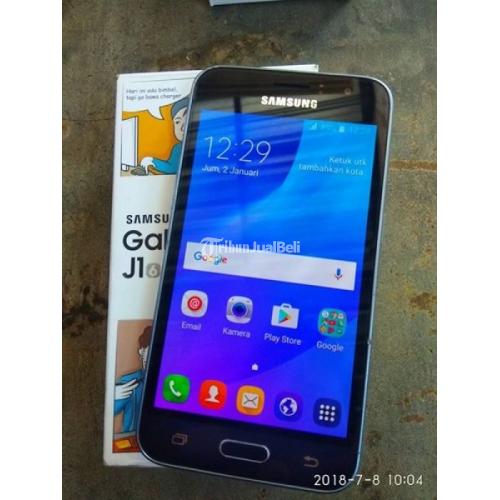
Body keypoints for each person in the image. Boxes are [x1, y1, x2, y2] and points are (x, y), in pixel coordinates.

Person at [131, 97, 189, 176]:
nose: (182, 128)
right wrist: (150, 161)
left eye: (187, 119)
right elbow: (170, 166)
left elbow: (172, 168)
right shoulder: (177, 147)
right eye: (177, 122)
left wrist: (152, 161)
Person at [114, 325, 151, 433]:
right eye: (151, 349)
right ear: (141, 351)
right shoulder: (129, 381)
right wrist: (113, 395)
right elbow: (109, 411)